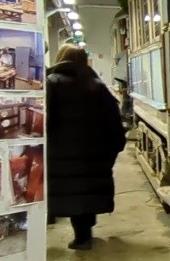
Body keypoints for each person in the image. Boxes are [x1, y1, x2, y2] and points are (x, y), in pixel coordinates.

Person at [46, 44, 127, 250]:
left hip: (61, 154)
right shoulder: (96, 85)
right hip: (94, 154)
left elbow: (45, 121)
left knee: (72, 193)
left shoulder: (52, 83)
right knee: (87, 192)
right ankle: (85, 234)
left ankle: (81, 237)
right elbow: (114, 121)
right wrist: (113, 149)